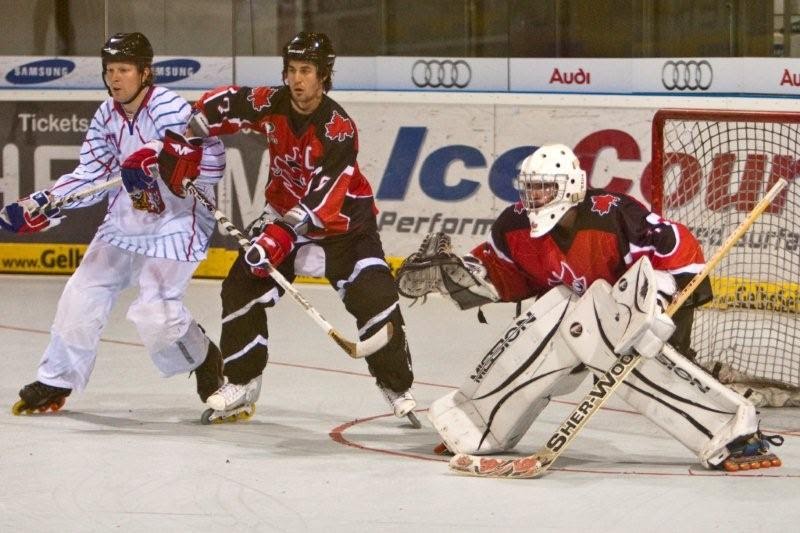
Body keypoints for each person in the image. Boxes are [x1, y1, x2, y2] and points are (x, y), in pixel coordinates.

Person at [396, 143, 783, 472]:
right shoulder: (514, 225)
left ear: (571, 188)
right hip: (581, 315)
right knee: (548, 314)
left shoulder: (613, 214)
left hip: (635, 315)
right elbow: (506, 274)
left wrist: (659, 300)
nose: (534, 199)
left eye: (544, 189)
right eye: (530, 189)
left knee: (639, 359)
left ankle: (735, 434)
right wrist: (462, 277)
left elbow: (679, 249)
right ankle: (475, 425)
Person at [186, 31, 416, 424]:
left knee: (377, 300)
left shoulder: (338, 127)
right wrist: (187, 133)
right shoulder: (271, 102)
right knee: (242, 284)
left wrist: (283, 231)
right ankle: (242, 382)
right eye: (291, 70)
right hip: (283, 216)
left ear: (323, 75)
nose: (297, 79)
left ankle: (396, 384)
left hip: (346, 229)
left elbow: (326, 194)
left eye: (306, 71)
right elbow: (227, 103)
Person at [1, 32, 226, 415]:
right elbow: (92, 174)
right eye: (110, 70)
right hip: (129, 215)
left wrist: (165, 156)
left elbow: (214, 163)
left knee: (156, 313)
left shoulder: (171, 108)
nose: (115, 78)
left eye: (124, 70)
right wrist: (49, 201)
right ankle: (58, 377)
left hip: (177, 219)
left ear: (145, 72)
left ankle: (205, 357)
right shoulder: (107, 114)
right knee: (83, 288)